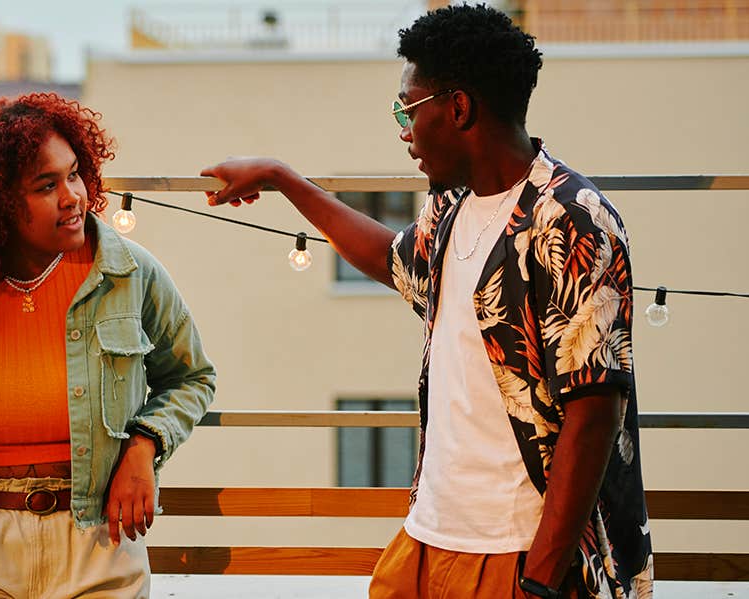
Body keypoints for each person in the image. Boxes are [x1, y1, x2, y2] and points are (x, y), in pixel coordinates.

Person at [200, 4, 652, 599]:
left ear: (458, 108)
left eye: (407, 109)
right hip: (427, 538)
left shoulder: (569, 219)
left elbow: (593, 416)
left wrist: (540, 580)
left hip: (516, 553)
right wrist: (285, 179)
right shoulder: (452, 206)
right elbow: (393, 258)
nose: (403, 131)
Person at [0, 93, 216, 598]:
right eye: (46, 185)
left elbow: (192, 377)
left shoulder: (130, 273)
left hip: (96, 538)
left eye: (75, 173)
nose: (73, 197)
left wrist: (145, 447)